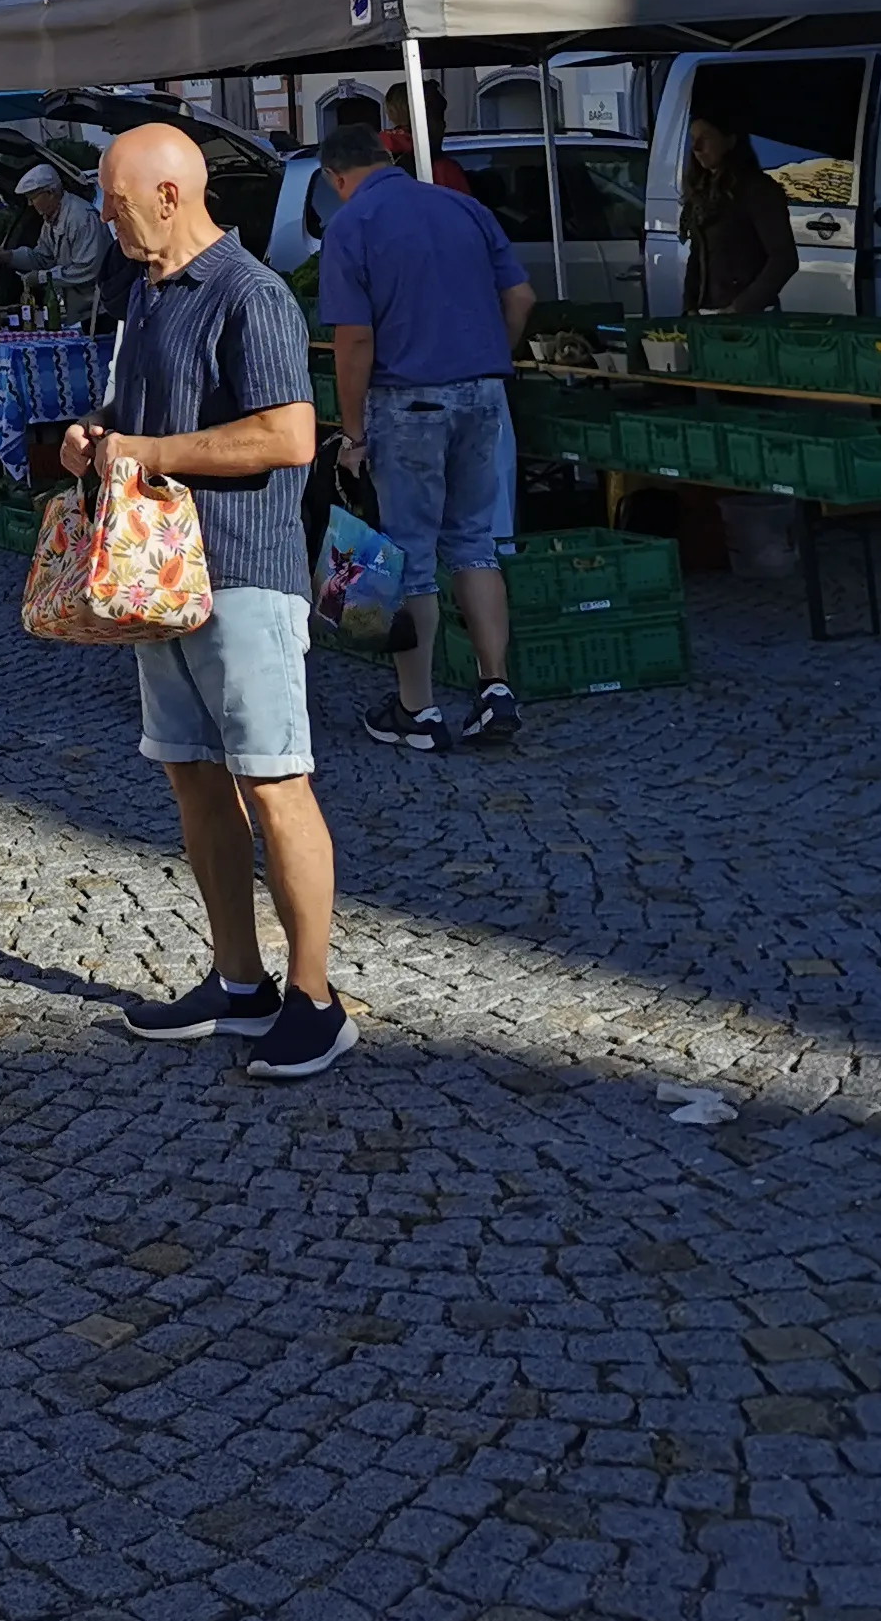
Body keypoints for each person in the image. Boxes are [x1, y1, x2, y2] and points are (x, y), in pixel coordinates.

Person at [62, 126, 343, 1080]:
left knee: (273, 782)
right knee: (192, 775)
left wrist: (146, 454)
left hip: (242, 574)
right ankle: (238, 981)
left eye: (115, 199)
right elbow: (147, 424)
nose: (105, 215)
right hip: (162, 578)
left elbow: (290, 437)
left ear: (172, 194)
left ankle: (316, 999)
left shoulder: (250, 293)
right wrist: (96, 436)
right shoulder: (144, 294)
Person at [317, 123, 532, 753]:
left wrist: (352, 432)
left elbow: (354, 342)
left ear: (336, 178)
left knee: (410, 553)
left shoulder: (350, 227)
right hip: (482, 390)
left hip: (405, 401)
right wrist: (491, 356)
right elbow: (521, 296)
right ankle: (495, 689)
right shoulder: (462, 205)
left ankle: (419, 708)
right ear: (388, 160)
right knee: (473, 541)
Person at [682, 112, 799, 317]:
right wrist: (689, 307)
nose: (696, 147)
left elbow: (784, 258)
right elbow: (697, 256)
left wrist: (741, 307)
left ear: (730, 141)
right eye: (692, 139)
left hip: (750, 318)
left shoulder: (758, 190)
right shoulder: (703, 192)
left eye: (706, 138)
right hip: (707, 312)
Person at [6, 162, 107, 324]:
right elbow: (43, 258)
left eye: (33, 197)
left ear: (51, 193)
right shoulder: (51, 219)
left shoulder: (81, 218)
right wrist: (8, 256)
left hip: (99, 311)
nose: (30, 204)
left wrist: (41, 278)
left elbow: (87, 268)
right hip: (79, 312)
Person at [384, 79, 474, 196]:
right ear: (422, 118)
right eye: (438, 116)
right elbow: (463, 212)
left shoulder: (370, 157)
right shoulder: (444, 170)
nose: (444, 125)